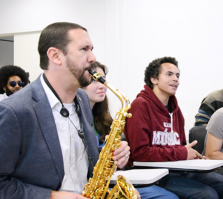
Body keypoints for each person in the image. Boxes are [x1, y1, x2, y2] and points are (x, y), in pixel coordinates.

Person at [0, 22, 130, 199]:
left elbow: (75, 159)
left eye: (91, 49)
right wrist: (52, 196)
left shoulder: (82, 99)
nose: (92, 57)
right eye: (84, 49)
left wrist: (113, 154)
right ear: (55, 56)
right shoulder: (15, 111)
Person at [124, 57, 223, 199]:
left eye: (177, 75)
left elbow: (180, 147)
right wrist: (181, 153)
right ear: (154, 79)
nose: (175, 79)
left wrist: (194, 159)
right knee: (207, 195)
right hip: (151, 173)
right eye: (169, 74)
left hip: (175, 169)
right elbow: (140, 154)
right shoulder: (140, 105)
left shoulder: (175, 110)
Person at [82, 61, 179, 199]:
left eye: (102, 80)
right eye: (94, 80)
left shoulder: (105, 120)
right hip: (89, 187)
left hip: (110, 181)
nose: (102, 85)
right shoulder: (76, 120)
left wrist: (123, 154)